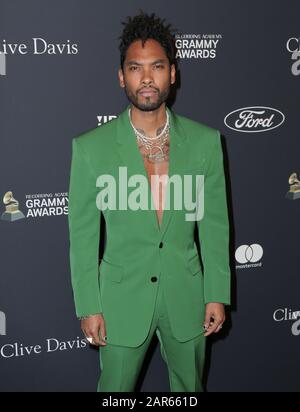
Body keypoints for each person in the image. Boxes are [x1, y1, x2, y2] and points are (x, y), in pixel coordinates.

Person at [68, 11, 231, 392]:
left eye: (157, 67)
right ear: (121, 76)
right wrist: (88, 305)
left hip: (187, 295)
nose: (146, 78)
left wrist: (217, 294)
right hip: (120, 299)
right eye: (135, 68)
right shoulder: (90, 148)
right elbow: (82, 236)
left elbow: (214, 224)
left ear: (172, 73)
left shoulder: (205, 142)